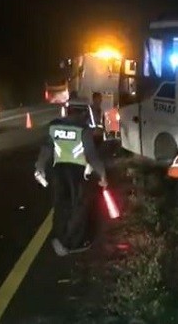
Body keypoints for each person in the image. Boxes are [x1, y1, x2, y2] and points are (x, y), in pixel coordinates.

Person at [34, 108, 108, 256]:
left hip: (59, 170)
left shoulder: (55, 126)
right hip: (77, 173)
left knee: (61, 205)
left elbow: (46, 149)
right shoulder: (83, 129)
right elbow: (91, 156)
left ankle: (59, 238)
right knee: (79, 206)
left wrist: (40, 166)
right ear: (82, 114)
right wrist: (103, 175)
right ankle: (71, 243)